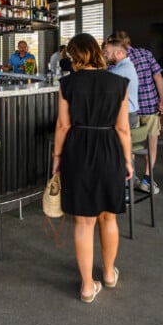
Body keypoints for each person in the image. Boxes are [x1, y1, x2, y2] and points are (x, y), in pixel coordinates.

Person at [53, 33, 131, 303]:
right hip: (110, 148)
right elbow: (123, 128)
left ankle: (87, 286)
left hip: (78, 149)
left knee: (83, 221)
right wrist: (128, 160)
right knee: (109, 216)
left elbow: (63, 126)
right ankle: (108, 274)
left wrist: (56, 157)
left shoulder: (67, 84)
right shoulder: (120, 83)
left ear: (75, 55)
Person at [112, 31, 163, 195]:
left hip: (128, 110)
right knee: (151, 144)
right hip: (150, 104)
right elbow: (158, 77)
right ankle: (147, 179)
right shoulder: (145, 53)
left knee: (131, 144)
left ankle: (131, 178)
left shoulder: (115, 60)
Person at [104, 37, 139, 128]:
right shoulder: (126, 65)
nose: (105, 55)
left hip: (125, 115)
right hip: (128, 114)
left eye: (107, 52)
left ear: (118, 53)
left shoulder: (120, 70)